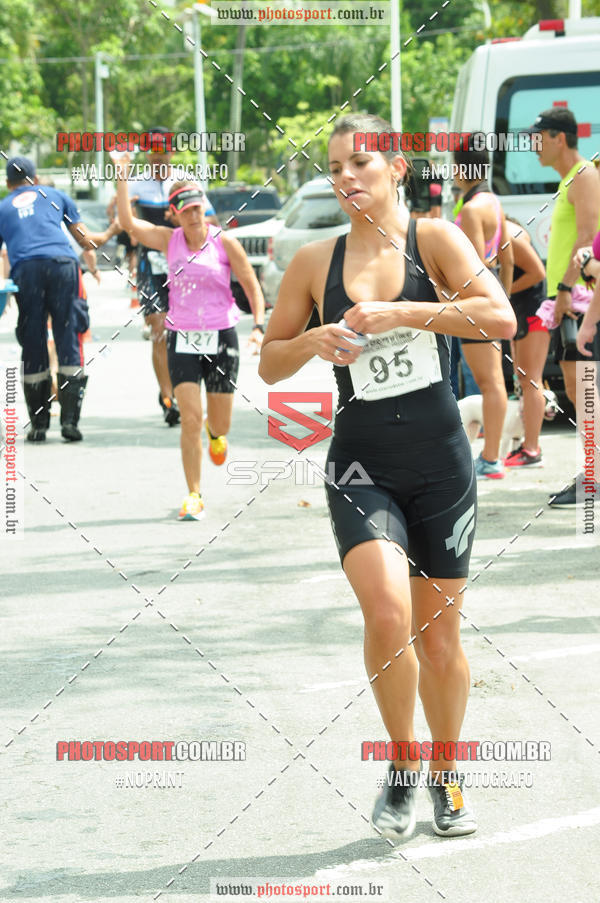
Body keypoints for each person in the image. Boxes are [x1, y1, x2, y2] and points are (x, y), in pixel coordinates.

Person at [259, 113, 515, 839]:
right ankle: (403, 765)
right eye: (337, 166)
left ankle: (447, 770)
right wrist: (312, 337)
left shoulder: (433, 238)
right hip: (362, 462)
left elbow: (497, 317)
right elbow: (270, 362)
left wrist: (406, 309)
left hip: (440, 459)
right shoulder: (315, 260)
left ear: (397, 167)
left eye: (361, 162)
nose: (346, 177)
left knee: (439, 641)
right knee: (387, 614)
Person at [115, 157, 265, 520]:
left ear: (204, 209)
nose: (194, 217)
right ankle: (194, 494)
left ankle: (218, 435)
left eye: (198, 209)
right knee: (189, 419)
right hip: (181, 337)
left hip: (221, 335)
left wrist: (259, 326)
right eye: (186, 211)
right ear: (174, 214)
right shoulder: (169, 241)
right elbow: (128, 223)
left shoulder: (224, 243)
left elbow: (251, 285)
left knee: (219, 423)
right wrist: (122, 177)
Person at [0, 156, 120, 442]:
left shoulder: (2, 207)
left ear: (7, 184)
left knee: (33, 340)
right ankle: (69, 423)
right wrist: (111, 231)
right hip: (63, 266)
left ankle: (39, 425)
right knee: (69, 337)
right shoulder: (55, 195)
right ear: (36, 179)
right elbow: (85, 242)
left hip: (26, 270)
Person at [528, 109, 600, 506]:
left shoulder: (586, 175)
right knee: (577, 387)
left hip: (580, 297)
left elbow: (590, 238)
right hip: (570, 298)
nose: (534, 145)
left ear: (558, 137)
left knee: (583, 387)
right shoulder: (572, 178)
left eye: (538, 137)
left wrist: (565, 290)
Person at [124, 127, 219, 426]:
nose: (158, 154)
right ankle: (168, 399)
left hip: (186, 265)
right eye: (152, 149)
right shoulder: (136, 184)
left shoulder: (188, 183)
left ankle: (187, 388)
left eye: (163, 148)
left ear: (171, 151)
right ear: (146, 152)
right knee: (159, 329)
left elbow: (212, 220)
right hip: (151, 265)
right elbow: (125, 224)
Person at [453, 138, 514, 479]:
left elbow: (472, 264)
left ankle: (490, 459)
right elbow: (508, 258)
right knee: (494, 383)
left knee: (488, 383)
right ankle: (491, 457)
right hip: (492, 301)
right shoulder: (494, 202)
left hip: (474, 305)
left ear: (462, 169)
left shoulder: (472, 208)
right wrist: (501, 298)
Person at [503, 218, 549, 466]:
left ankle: (532, 449)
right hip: (523, 312)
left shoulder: (510, 234)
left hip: (535, 312)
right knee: (525, 380)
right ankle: (528, 446)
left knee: (532, 380)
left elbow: (537, 272)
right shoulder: (505, 233)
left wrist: (503, 292)